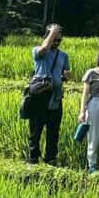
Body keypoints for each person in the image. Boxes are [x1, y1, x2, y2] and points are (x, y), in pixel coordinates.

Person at [28, 23, 71, 165]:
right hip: (40, 96)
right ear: (47, 38)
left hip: (56, 97)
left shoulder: (64, 55)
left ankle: (51, 159)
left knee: (53, 131)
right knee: (36, 130)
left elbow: (66, 73)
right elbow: (44, 48)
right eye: (54, 39)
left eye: (59, 40)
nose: (56, 43)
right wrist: (52, 32)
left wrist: (66, 76)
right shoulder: (38, 51)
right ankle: (33, 158)